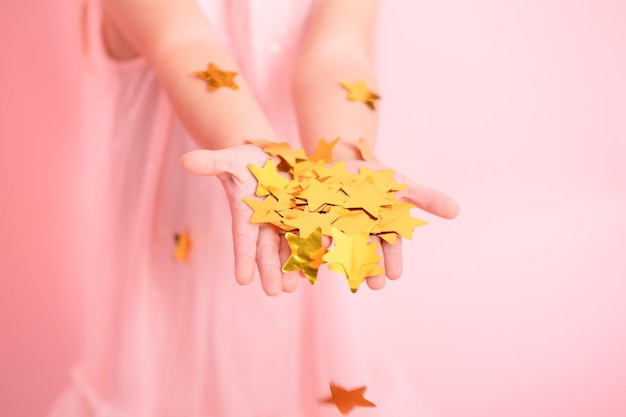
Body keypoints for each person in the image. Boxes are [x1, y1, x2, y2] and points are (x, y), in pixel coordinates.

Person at [50, 0, 459, 415]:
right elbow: (184, 43)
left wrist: (348, 160)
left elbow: (338, 53)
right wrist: (259, 153)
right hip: (171, 259)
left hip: (303, 234)